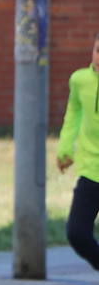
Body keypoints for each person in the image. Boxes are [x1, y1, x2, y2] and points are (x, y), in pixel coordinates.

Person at [57, 31, 99, 270]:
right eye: (97, 50)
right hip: (90, 171)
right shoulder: (79, 80)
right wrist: (65, 149)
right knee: (77, 234)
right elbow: (73, 115)